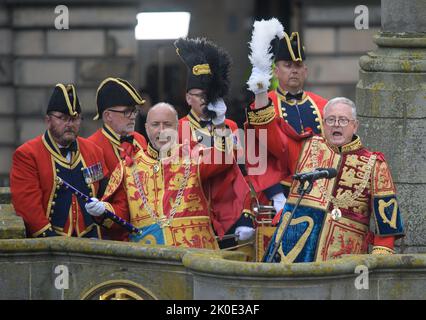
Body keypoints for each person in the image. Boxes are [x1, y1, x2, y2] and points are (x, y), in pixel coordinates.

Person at [251, 97, 405, 262]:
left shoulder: (375, 164)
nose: (336, 124)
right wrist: (260, 92)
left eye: (343, 120)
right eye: (331, 119)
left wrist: (376, 265)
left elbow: (388, 225)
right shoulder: (305, 147)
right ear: (324, 124)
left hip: (344, 261)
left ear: (355, 125)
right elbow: (267, 132)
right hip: (291, 256)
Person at [84, 102, 249, 250]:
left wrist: (220, 123)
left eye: (167, 124)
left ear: (177, 127)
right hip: (150, 262)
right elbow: (121, 215)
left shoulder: (193, 156)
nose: (161, 131)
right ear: (147, 127)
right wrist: (103, 211)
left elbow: (224, 157)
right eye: (156, 125)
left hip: (196, 257)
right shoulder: (128, 167)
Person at [174, 37, 255, 250]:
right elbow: (199, 171)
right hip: (194, 219)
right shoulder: (178, 129)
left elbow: (241, 170)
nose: (204, 100)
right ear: (187, 98)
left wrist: (246, 213)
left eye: (208, 95)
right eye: (199, 95)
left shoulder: (229, 124)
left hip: (230, 218)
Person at [246, 19, 328, 217]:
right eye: (287, 64)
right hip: (278, 193)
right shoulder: (263, 105)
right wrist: (275, 195)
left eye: (298, 65)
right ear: (275, 71)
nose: (294, 70)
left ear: (305, 71)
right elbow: (255, 155)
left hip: (320, 190)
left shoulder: (324, 105)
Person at [10, 83, 108, 238]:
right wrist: (52, 242)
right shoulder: (28, 154)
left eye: (74, 118)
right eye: (62, 118)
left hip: (92, 240)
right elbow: (28, 207)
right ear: (48, 120)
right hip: (49, 243)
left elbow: (105, 195)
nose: (69, 124)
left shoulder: (94, 151)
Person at [88, 78, 147, 240]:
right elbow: (96, 196)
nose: (133, 116)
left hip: (145, 226)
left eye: (134, 111)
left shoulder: (139, 139)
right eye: (127, 111)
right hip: (114, 232)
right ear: (108, 116)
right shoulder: (92, 146)